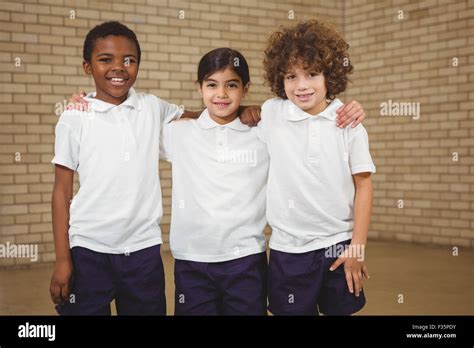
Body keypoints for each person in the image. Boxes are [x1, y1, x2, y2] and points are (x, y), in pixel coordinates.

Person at [50, 21, 184, 315]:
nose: (119, 67)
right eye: (105, 59)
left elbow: (201, 116)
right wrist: (62, 259)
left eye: (129, 60)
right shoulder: (75, 116)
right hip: (88, 248)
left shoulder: (151, 106)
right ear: (88, 67)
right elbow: (62, 192)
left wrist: (241, 110)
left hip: (143, 250)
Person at [260, 19, 375, 315]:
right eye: (290, 76)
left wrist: (357, 248)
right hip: (288, 250)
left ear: (330, 75)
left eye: (312, 74)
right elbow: (235, 111)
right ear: (279, 79)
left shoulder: (349, 123)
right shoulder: (271, 113)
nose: (301, 85)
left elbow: (364, 185)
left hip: (339, 246)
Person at [162, 48, 269, 315]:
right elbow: (130, 120)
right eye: (212, 85)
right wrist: (87, 102)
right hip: (192, 261)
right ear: (199, 88)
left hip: (246, 259)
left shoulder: (263, 133)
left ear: (245, 89)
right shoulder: (180, 133)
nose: (221, 94)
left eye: (231, 85)